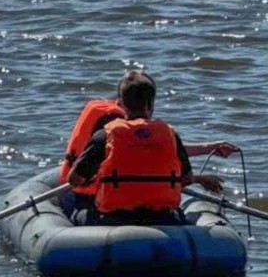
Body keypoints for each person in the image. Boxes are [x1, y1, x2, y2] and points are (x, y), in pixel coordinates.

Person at [65, 71, 231, 226]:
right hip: (163, 218)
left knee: (73, 210)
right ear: (151, 104)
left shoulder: (105, 135)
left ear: (121, 103)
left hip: (114, 220)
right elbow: (186, 179)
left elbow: (75, 180)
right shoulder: (169, 134)